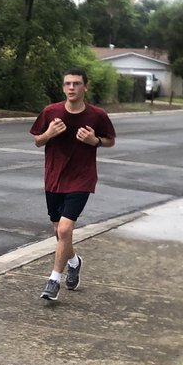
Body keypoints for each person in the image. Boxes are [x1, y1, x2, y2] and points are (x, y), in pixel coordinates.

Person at [29, 67, 117, 301]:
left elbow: (110, 140)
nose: (71, 87)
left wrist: (94, 141)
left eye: (76, 83)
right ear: (63, 87)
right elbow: (37, 141)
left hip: (82, 177)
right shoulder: (51, 111)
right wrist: (48, 133)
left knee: (66, 229)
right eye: (68, 83)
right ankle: (74, 262)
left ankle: (53, 281)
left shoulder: (97, 115)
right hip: (54, 177)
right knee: (59, 231)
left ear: (85, 87)